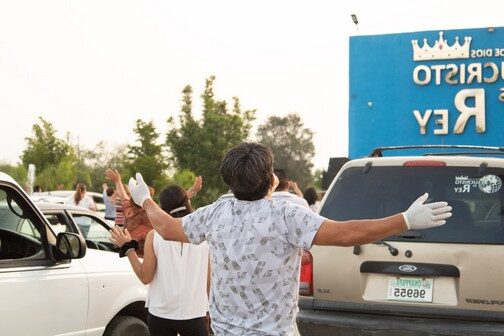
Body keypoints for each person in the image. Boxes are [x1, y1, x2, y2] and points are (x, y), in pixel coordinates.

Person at [126, 142, 452, 336]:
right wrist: (404, 220)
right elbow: (347, 233)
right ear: (271, 180)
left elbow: (168, 228)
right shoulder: (286, 216)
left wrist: (145, 200)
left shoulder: (214, 214)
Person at [110, 185, 210, 336]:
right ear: (187, 202)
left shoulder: (154, 236)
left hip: (161, 314)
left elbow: (145, 277)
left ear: (162, 208)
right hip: (195, 313)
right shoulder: (204, 234)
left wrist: (128, 248)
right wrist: (208, 308)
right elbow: (208, 279)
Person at [105, 169, 203, 257]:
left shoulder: (129, 209)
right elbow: (174, 202)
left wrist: (117, 181)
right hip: (149, 256)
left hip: (134, 255)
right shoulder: (154, 212)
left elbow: (123, 195)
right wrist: (193, 190)